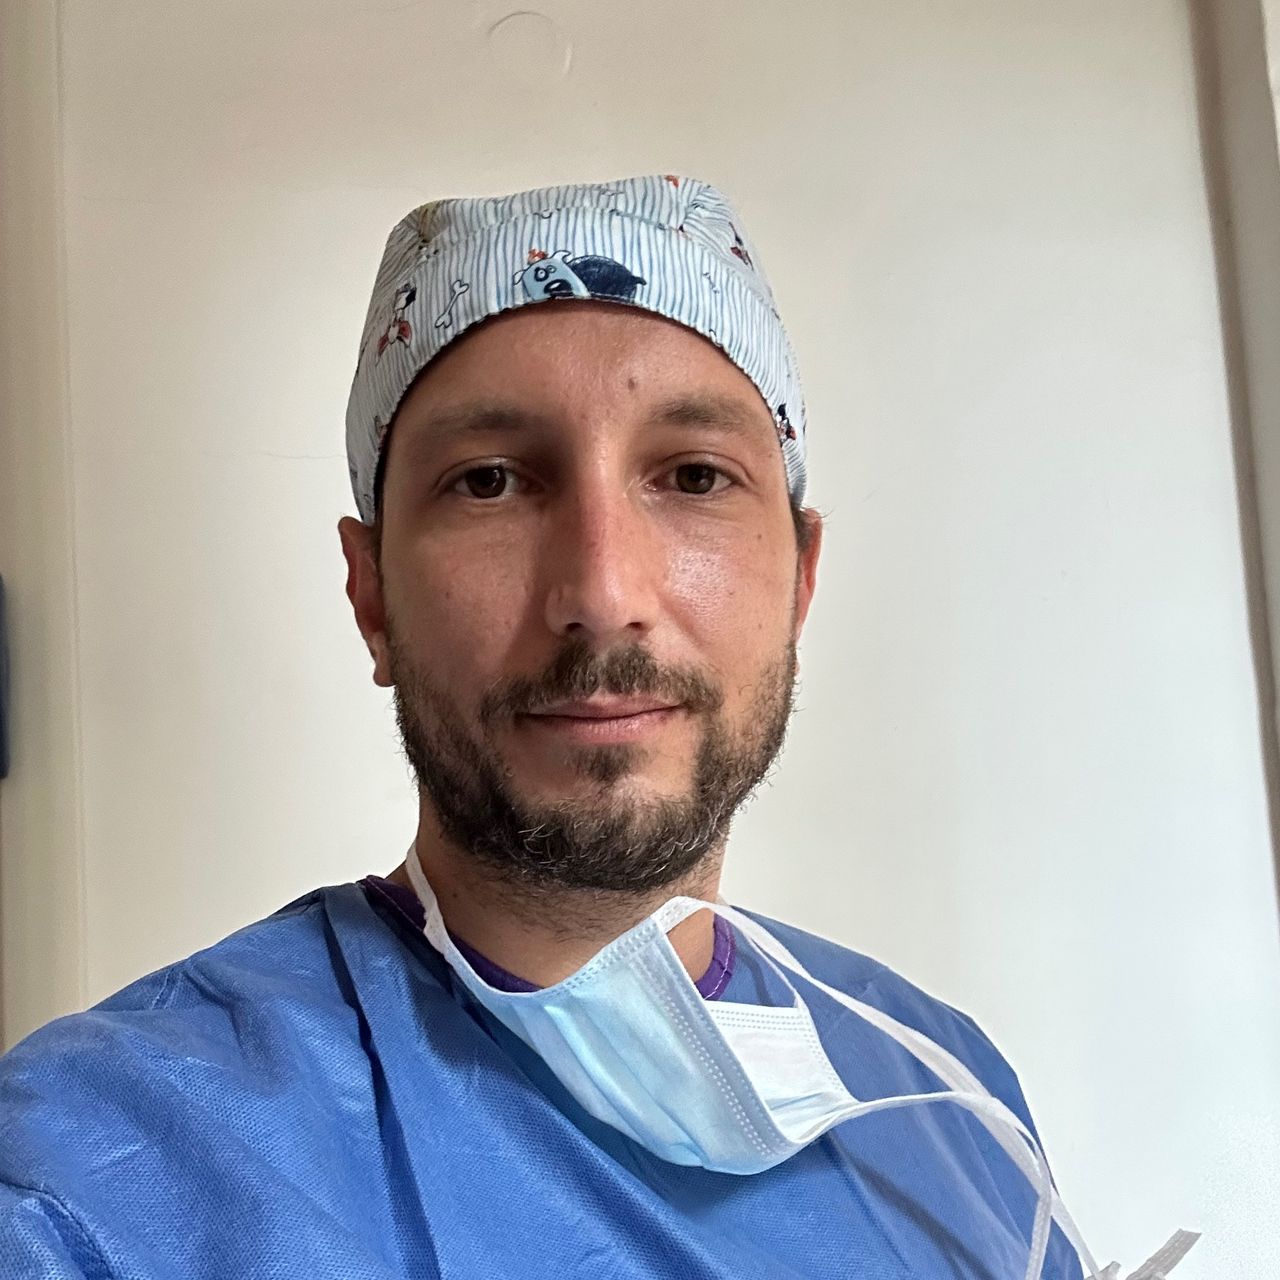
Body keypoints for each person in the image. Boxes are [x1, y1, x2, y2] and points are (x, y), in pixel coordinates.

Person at [0, 175, 1093, 1279]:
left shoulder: (954, 1109)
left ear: (800, 581)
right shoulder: (90, 1181)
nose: (602, 591)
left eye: (694, 475)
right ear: (372, 597)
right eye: (488, 482)